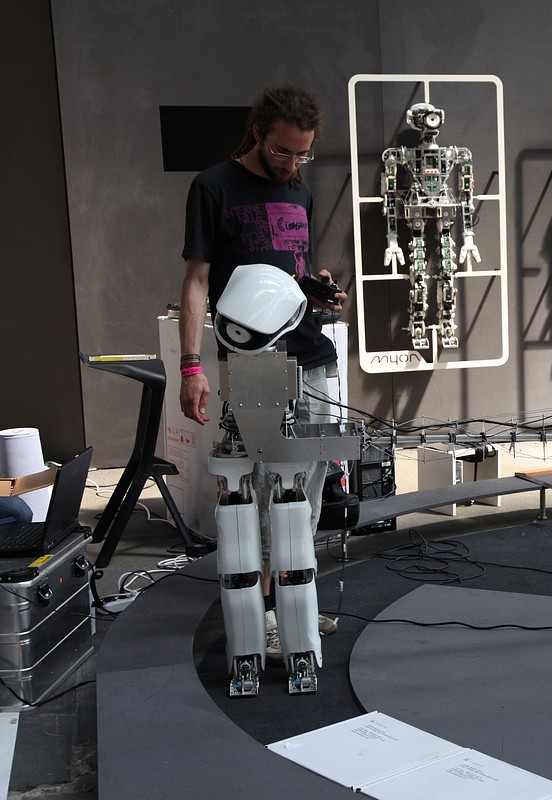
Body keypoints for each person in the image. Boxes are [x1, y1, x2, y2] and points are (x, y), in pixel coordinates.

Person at [177, 83, 347, 656]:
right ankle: (270, 613)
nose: (293, 164)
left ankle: (299, 598)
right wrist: (192, 365)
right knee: (269, 486)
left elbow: (285, 274)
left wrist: (315, 291)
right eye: (282, 152)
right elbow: (198, 280)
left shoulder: (298, 190)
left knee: (312, 483)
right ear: (258, 134)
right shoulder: (213, 186)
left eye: (303, 154)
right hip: (253, 363)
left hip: (312, 352)